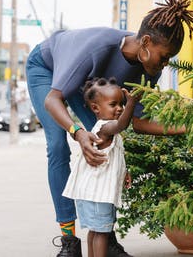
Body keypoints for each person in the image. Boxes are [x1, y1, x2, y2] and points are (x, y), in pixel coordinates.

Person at [25, 0, 193, 257]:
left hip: (86, 85)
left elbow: (137, 123)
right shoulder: (96, 48)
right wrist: (77, 132)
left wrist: (190, 127)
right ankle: (69, 241)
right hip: (47, 68)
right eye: (163, 57)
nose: (165, 64)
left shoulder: (147, 70)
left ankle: (105, 237)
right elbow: (53, 99)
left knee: (107, 146)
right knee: (58, 146)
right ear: (146, 43)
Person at [62, 77, 135, 257]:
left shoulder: (105, 129)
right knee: (102, 232)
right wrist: (132, 103)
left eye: (122, 103)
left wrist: (124, 172)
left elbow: (114, 155)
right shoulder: (105, 127)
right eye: (113, 104)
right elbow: (122, 125)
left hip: (91, 193)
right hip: (98, 194)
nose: (120, 108)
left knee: (95, 231)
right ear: (96, 108)